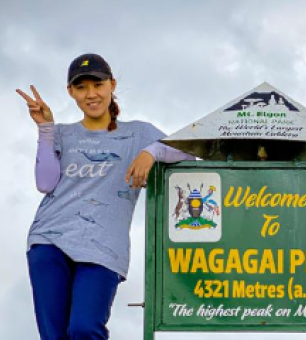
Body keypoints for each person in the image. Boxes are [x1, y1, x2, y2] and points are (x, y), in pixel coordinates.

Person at [16, 53, 194, 340]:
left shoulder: (139, 133)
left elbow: (188, 151)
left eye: (97, 85)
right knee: (55, 336)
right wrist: (45, 129)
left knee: (85, 329)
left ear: (112, 85)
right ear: (71, 92)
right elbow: (45, 183)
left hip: (104, 248)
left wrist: (152, 152)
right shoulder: (61, 134)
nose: (91, 94)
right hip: (49, 240)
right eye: (82, 87)